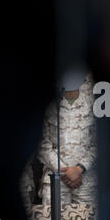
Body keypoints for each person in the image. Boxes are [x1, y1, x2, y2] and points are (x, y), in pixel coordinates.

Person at [38, 73, 97, 205]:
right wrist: (64, 171)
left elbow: (98, 144)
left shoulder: (94, 103)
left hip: (85, 181)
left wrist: (79, 169)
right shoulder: (48, 103)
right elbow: (41, 145)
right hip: (55, 180)